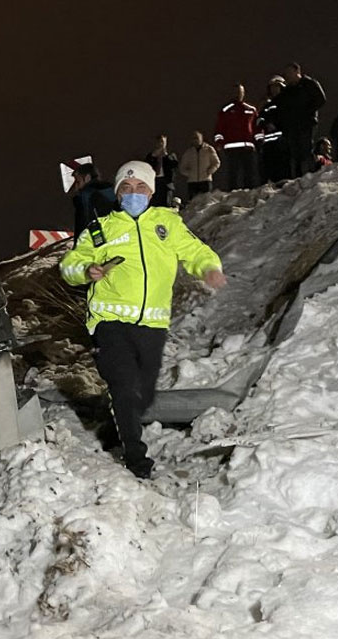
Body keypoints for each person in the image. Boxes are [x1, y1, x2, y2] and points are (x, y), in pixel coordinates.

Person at [59, 161, 226, 479]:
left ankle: (119, 419)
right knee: (122, 385)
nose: (133, 193)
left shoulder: (168, 224)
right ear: (118, 193)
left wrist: (209, 268)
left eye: (141, 188)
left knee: (140, 392)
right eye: (126, 187)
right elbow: (70, 264)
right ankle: (136, 459)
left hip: (152, 323)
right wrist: (86, 271)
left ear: (151, 191)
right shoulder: (101, 229)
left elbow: (194, 251)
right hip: (110, 320)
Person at [280, 62, 326, 177]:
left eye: (290, 73)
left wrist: (307, 112)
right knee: (295, 153)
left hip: (307, 123)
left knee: (306, 150)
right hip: (293, 125)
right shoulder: (288, 90)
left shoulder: (309, 84)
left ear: (297, 72)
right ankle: (298, 177)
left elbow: (320, 99)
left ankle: (309, 175)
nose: (288, 76)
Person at [213, 83, 261, 190]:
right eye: (236, 92)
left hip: (248, 147)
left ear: (243, 93)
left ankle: (249, 193)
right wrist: (219, 143)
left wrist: (259, 142)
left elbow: (257, 127)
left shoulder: (251, 110)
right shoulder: (226, 110)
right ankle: (232, 194)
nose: (238, 94)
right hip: (232, 148)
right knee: (233, 174)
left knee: (249, 173)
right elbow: (219, 128)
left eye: (240, 92)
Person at [69, 162, 117, 238]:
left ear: (87, 178)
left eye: (78, 182)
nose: (76, 187)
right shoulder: (112, 190)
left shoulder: (86, 194)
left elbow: (82, 224)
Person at [258, 75, 291, 182]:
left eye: (276, 87)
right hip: (269, 143)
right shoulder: (267, 105)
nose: (274, 90)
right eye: (272, 87)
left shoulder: (287, 103)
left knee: (283, 168)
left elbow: (290, 119)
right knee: (269, 168)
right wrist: (266, 123)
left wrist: (277, 125)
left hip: (283, 141)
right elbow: (259, 120)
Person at [179, 131, 220, 202]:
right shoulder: (188, 152)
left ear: (201, 139)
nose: (195, 140)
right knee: (193, 203)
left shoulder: (208, 150)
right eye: (193, 138)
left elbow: (216, 163)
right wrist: (189, 174)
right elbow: (182, 167)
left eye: (197, 138)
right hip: (192, 182)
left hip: (205, 181)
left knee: (206, 203)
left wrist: (210, 171)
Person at [144, 135, 179, 207]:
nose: (160, 144)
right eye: (159, 142)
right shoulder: (150, 156)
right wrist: (153, 156)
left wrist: (166, 156)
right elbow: (146, 166)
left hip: (166, 183)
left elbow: (174, 165)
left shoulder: (171, 155)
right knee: (155, 203)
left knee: (166, 203)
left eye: (162, 142)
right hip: (155, 181)